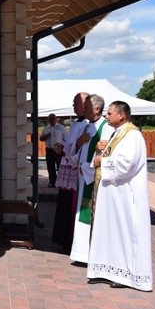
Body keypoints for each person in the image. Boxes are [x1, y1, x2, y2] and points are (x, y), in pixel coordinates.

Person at [87, 101, 152, 291]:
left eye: (110, 113)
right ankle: (107, 270)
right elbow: (107, 157)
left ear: (121, 115)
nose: (107, 116)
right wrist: (99, 152)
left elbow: (126, 164)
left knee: (124, 233)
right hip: (112, 195)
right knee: (110, 231)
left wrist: (102, 161)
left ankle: (126, 274)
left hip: (124, 195)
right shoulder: (116, 133)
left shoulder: (132, 135)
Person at [70, 94, 113, 265]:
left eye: (86, 107)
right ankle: (82, 253)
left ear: (96, 109)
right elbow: (76, 154)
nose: (84, 110)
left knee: (92, 215)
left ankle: (93, 254)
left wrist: (87, 168)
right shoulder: (88, 127)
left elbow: (107, 154)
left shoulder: (106, 128)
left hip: (94, 180)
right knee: (82, 216)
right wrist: (79, 143)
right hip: (83, 177)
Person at [51, 92, 91, 251]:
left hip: (76, 173)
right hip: (68, 168)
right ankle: (64, 240)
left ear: (84, 105)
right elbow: (72, 144)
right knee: (65, 205)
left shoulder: (87, 125)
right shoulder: (77, 123)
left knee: (71, 207)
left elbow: (80, 148)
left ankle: (70, 241)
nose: (73, 106)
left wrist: (65, 150)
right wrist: (62, 148)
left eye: (76, 103)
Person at [39, 113, 66, 187]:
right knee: (50, 167)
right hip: (49, 149)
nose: (52, 120)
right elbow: (41, 139)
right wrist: (48, 135)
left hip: (58, 150)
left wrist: (61, 146)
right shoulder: (46, 128)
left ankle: (60, 183)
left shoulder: (61, 128)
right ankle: (52, 182)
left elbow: (65, 139)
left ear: (56, 119)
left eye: (53, 118)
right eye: (50, 118)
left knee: (60, 166)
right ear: (48, 120)